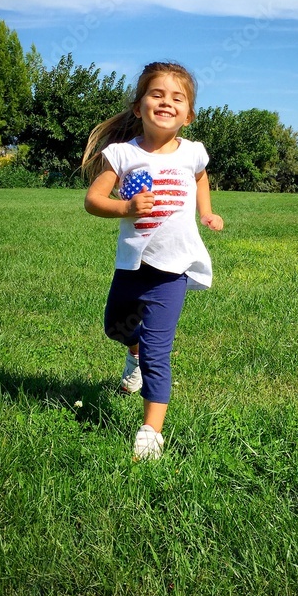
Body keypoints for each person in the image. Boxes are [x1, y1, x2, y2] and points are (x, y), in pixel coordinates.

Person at [82, 62, 224, 460]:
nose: (166, 102)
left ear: (189, 114)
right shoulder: (122, 154)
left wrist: (206, 212)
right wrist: (125, 206)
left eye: (177, 98)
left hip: (173, 270)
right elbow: (93, 201)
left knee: (158, 348)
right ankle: (133, 356)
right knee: (115, 327)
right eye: (157, 95)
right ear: (139, 107)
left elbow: (200, 177)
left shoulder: (193, 152)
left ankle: (150, 432)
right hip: (132, 265)